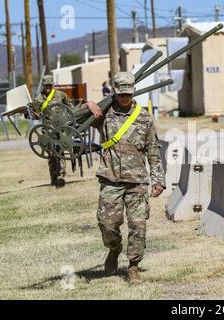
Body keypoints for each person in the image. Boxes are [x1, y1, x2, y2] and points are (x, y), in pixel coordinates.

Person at [85, 72, 166, 284]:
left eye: (128, 94)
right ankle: (114, 249)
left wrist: (158, 180)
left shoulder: (144, 117)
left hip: (137, 181)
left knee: (138, 226)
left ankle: (133, 267)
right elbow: (72, 118)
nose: (124, 99)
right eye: (121, 94)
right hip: (110, 179)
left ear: (133, 92)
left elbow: (154, 151)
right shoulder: (103, 114)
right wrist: (87, 104)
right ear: (114, 91)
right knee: (107, 225)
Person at [29, 75, 75, 188]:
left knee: (61, 150)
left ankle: (61, 175)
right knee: (51, 154)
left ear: (52, 85)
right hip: (47, 129)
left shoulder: (60, 94)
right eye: (46, 86)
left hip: (61, 128)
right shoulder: (38, 98)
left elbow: (70, 106)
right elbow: (35, 113)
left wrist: (74, 117)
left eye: (50, 85)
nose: (48, 87)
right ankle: (53, 178)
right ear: (43, 86)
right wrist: (31, 113)